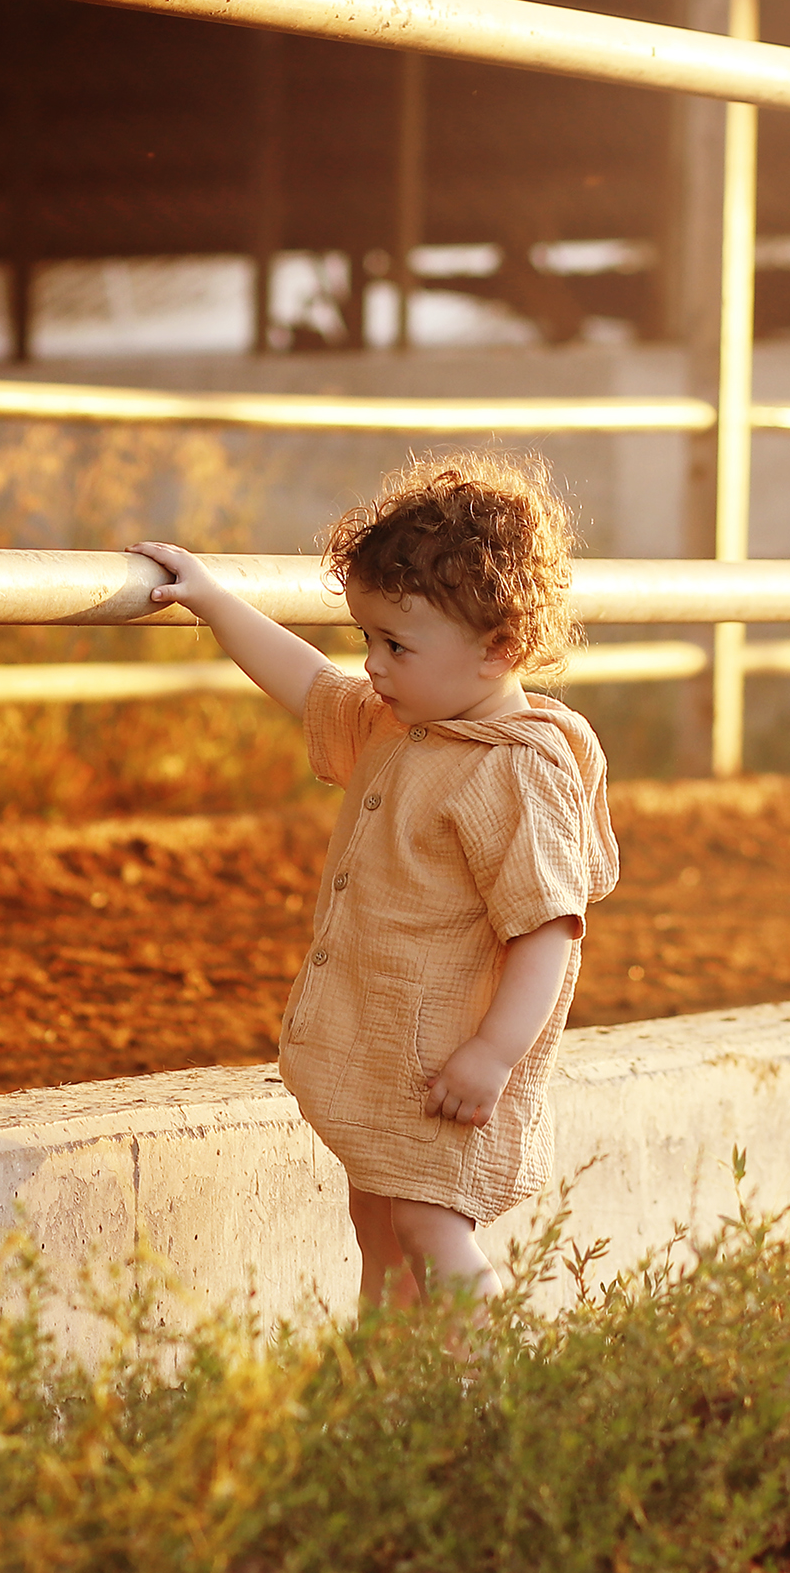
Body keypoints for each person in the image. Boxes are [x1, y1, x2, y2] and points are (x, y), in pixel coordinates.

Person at [131, 452, 618, 1304]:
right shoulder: (408, 725)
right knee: (377, 1224)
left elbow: (545, 929)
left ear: (498, 648)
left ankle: (510, 1391)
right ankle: (388, 1406)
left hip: (450, 1066)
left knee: (432, 1228)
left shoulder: (514, 769)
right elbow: (307, 685)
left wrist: (492, 1055)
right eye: (367, 638)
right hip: (393, 1055)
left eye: (396, 643)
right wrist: (211, 600)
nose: (373, 666)